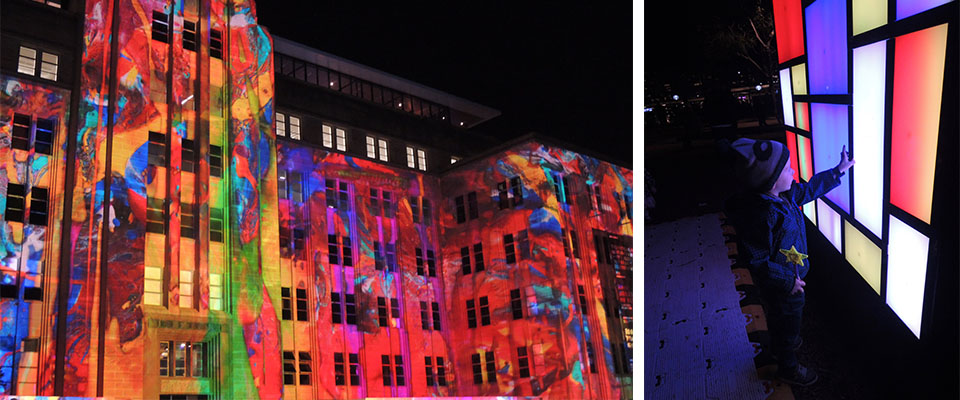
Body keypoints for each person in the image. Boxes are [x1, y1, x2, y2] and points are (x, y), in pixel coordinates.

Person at [724, 137, 855, 386]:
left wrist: (837, 171)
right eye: (787, 168)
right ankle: (788, 366)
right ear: (771, 181)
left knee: (783, 316)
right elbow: (756, 259)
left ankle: (782, 338)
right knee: (787, 318)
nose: (793, 170)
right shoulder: (762, 216)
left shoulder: (783, 196)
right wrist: (787, 281)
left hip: (790, 277)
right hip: (784, 284)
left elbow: (809, 189)